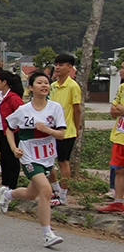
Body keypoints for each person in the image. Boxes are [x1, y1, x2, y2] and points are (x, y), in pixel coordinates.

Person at [0, 71, 66, 248]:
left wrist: (48, 130)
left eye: (46, 83)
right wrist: (14, 148)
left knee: (31, 194)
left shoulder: (55, 108)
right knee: (46, 190)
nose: (44, 85)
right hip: (29, 157)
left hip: (48, 158)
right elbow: (9, 129)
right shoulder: (23, 110)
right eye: (40, 83)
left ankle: (7, 194)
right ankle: (47, 234)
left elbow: (62, 134)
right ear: (31, 87)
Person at [48, 54, 82, 206]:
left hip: (66, 131)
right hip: (51, 130)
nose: (58, 67)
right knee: (49, 162)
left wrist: (76, 127)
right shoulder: (53, 86)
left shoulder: (73, 86)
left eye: (61, 64)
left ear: (70, 67)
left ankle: (63, 195)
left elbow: (77, 109)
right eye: (56, 64)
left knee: (63, 162)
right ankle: (54, 190)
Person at [0, 70, 25, 191]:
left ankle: (12, 186)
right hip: (1, 130)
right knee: (4, 158)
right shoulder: (0, 96)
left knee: (11, 159)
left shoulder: (13, 98)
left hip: (12, 132)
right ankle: (4, 184)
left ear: (4, 82)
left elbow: (21, 114)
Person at [98, 61, 124, 213]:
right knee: (119, 170)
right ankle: (118, 202)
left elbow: (119, 108)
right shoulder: (121, 87)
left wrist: (121, 108)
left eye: (123, 68)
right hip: (120, 136)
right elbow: (113, 111)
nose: (120, 70)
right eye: (121, 67)